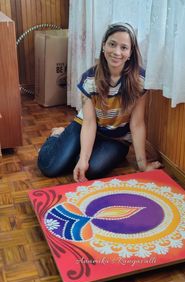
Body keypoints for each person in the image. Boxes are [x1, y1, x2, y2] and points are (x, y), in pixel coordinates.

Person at [38, 22, 162, 183]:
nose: (117, 52)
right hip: (87, 127)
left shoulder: (140, 80)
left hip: (116, 139)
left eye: (124, 47)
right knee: (50, 167)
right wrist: (83, 159)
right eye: (112, 44)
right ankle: (57, 136)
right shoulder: (89, 79)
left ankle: (80, 151)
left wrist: (142, 165)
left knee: (92, 171)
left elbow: (137, 124)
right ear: (104, 46)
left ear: (131, 52)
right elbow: (89, 123)